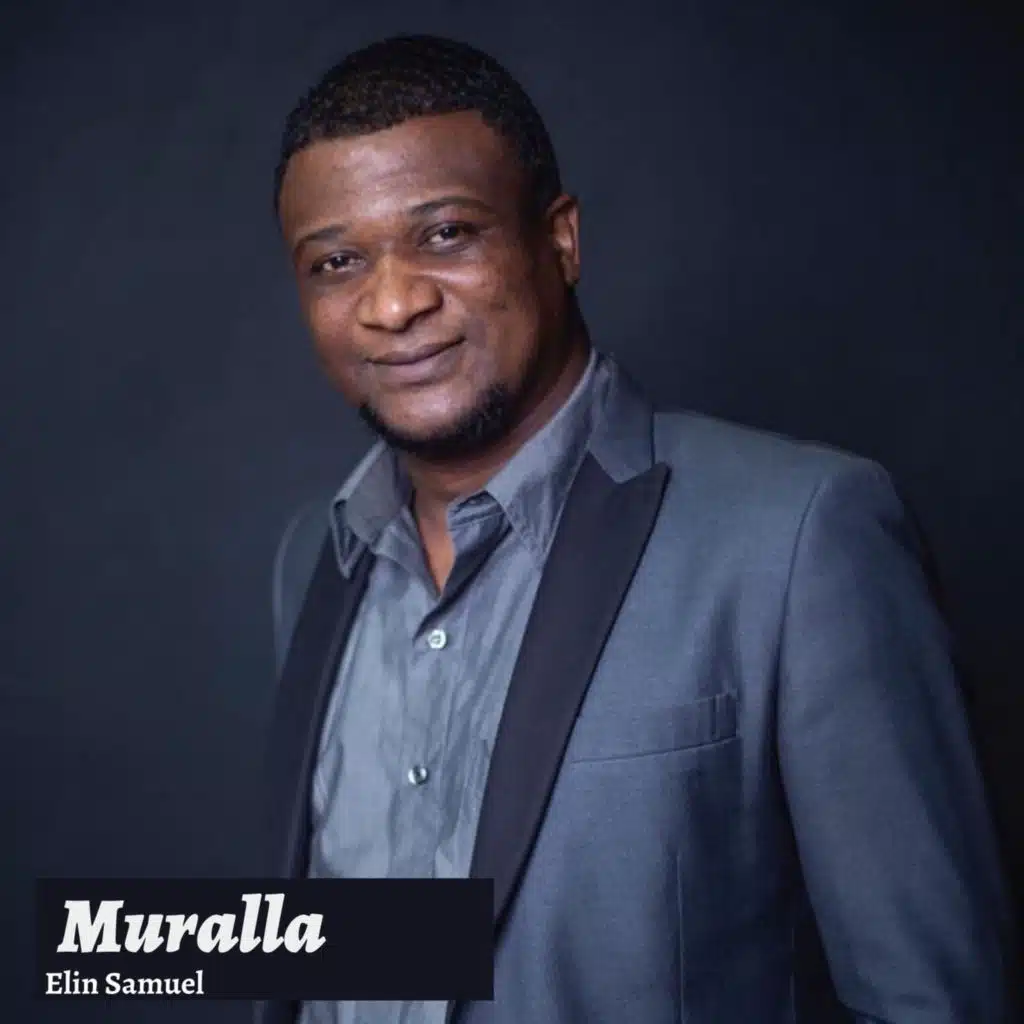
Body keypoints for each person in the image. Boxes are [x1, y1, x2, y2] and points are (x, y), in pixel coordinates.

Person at [261, 33, 1013, 1024]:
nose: (393, 302)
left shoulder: (798, 536)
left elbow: (933, 1003)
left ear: (560, 241)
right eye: (337, 261)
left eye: (445, 234)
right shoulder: (314, 560)